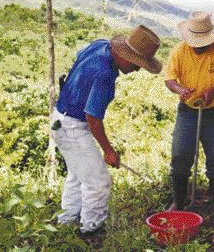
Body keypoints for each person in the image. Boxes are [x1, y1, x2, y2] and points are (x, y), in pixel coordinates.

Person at [50, 25, 161, 234]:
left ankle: (66, 224)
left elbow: (78, 56)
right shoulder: (105, 75)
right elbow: (93, 117)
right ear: (126, 58)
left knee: (78, 175)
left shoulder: (100, 45)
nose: (137, 70)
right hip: (73, 125)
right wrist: (108, 151)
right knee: (98, 183)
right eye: (138, 64)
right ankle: (91, 230)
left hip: (59, 118)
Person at [164, 11, 214, 214]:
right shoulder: (179, 51)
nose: (199, 46)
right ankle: (178, 202)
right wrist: (180, 90)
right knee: (180, 155)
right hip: (188, 111)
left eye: (204, 43)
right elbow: (169, 79)